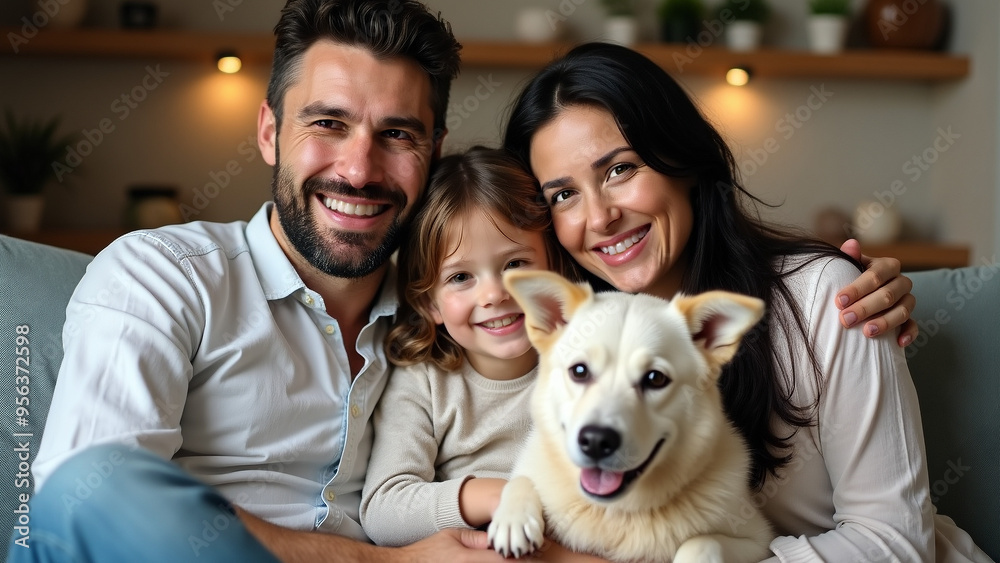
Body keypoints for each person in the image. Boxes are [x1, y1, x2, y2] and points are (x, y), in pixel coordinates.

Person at [7, 1, 917, 561]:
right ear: (269, 132)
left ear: (431, 151)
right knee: (97, 489)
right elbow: (85, 509)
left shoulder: (512, 321)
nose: (359, 168)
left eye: (397, 133)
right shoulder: (167, 277)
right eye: (327, 123)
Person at [500, 41, 991, 562]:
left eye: (620, 169)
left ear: (683, 161)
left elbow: (896, 543)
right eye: (563, 194)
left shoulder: (828, 298)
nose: (599, 218)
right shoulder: (565, 328)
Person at [359, 147, 573, 545]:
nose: (494, 294)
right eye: (461, 277)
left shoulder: (584, 364)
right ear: (429, 302)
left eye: (515, 264)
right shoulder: (423, 382)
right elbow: (383, 510)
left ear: (555, 269)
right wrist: (502, 496)